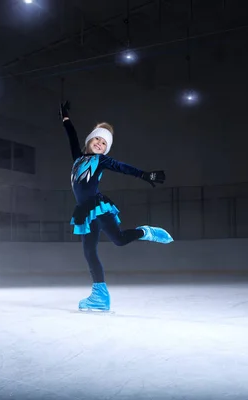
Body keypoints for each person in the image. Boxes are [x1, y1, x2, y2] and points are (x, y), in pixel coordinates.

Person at [59, 100, 173, 311]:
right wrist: (65, 116)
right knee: (89, 251)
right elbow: (71, 135)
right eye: (97, 140)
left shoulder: (101, 161)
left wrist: (144, 174)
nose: (100, 144)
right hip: (85, 211)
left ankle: (145, 232)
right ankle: (100, 296)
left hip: (98, 206)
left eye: (104, 143)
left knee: (118, 241)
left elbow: (121, 167)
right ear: (90, 140)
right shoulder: (78, 158)